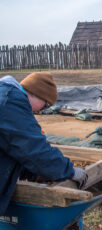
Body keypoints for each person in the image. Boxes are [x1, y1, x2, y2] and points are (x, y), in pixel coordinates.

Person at [0, 72, 88, 216]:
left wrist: (32, 173)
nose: (41, 111)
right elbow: (33, 148)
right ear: (35, 93)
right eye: (46, 105)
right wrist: (69, 170)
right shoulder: (11, 103)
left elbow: (12, 147)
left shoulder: (5, 96)